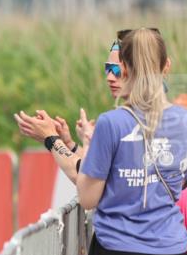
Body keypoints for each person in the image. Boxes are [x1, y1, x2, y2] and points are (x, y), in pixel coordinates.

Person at [72, 28, 187, 255]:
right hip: (171, 253)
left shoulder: (111, 123)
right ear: (166, 65)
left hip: (118, 253)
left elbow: (88, 197)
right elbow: (186, 179)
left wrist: (86, 147)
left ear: (125, 68)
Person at [13, 35, 127, 183]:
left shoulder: (118, 122)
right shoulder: (145, 115)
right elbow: (103, 171)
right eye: (108, 68)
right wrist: (70, 145)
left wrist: (51, 138)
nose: (110, 77)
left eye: (117, 70)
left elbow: (86, 178)